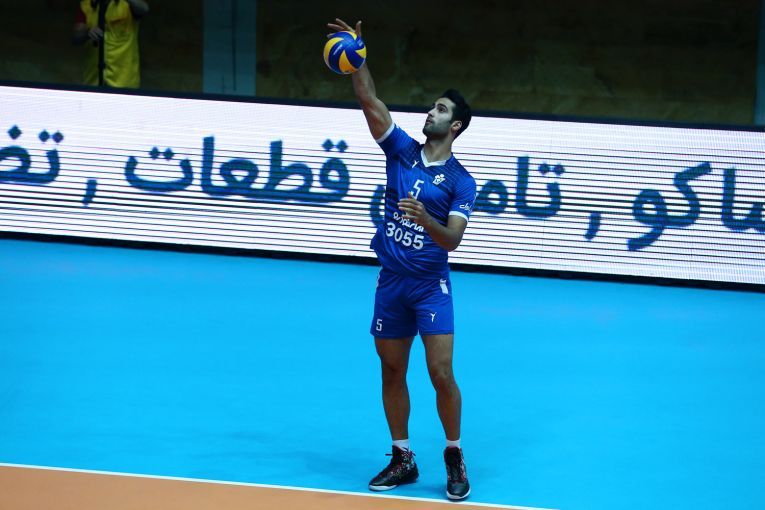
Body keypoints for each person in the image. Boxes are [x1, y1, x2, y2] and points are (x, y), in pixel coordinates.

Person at [327, 18, 476, 502]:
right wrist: (358, 58)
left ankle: (453, 453)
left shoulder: (461, 182)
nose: (430, 112)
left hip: (431, 286)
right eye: (432, 106)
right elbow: (370, 101)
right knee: (391, 371)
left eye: (440, 109)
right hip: (391, 282)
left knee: (441, 374)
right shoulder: (402, 151)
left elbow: (452, 240)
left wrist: (425, 218)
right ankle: (403, 456)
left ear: (454, 126)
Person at [72, 0, 150, 88]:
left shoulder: (127, 5)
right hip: (94, 80)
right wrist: (88, 32)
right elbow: (76, 36)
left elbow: (144, 9)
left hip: (124, 81)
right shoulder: (86, 5)